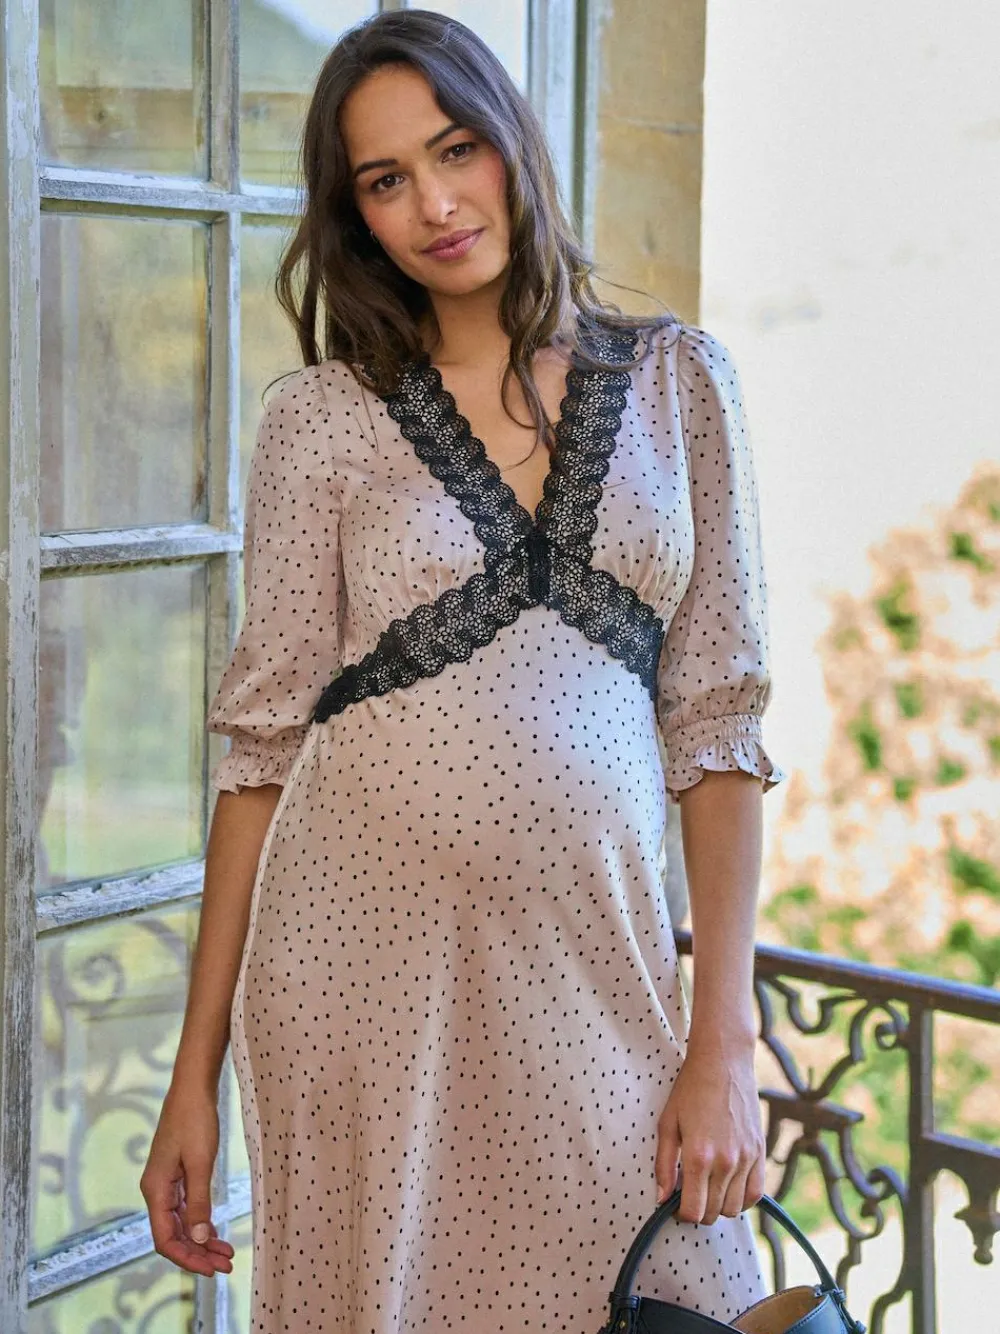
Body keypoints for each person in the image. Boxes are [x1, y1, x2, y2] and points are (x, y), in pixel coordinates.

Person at [140, 9, 788, 1331]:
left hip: (599, 981)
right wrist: (189, 1077)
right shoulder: (319, 419)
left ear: (510, 142)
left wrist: (724, 1039)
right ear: (355, 215)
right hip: (353, 983)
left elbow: (718, 727)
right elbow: (259, 757)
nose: (434, 205)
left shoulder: (680, 383)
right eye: (385, 180)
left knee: (682, 1290)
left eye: (454, 150)